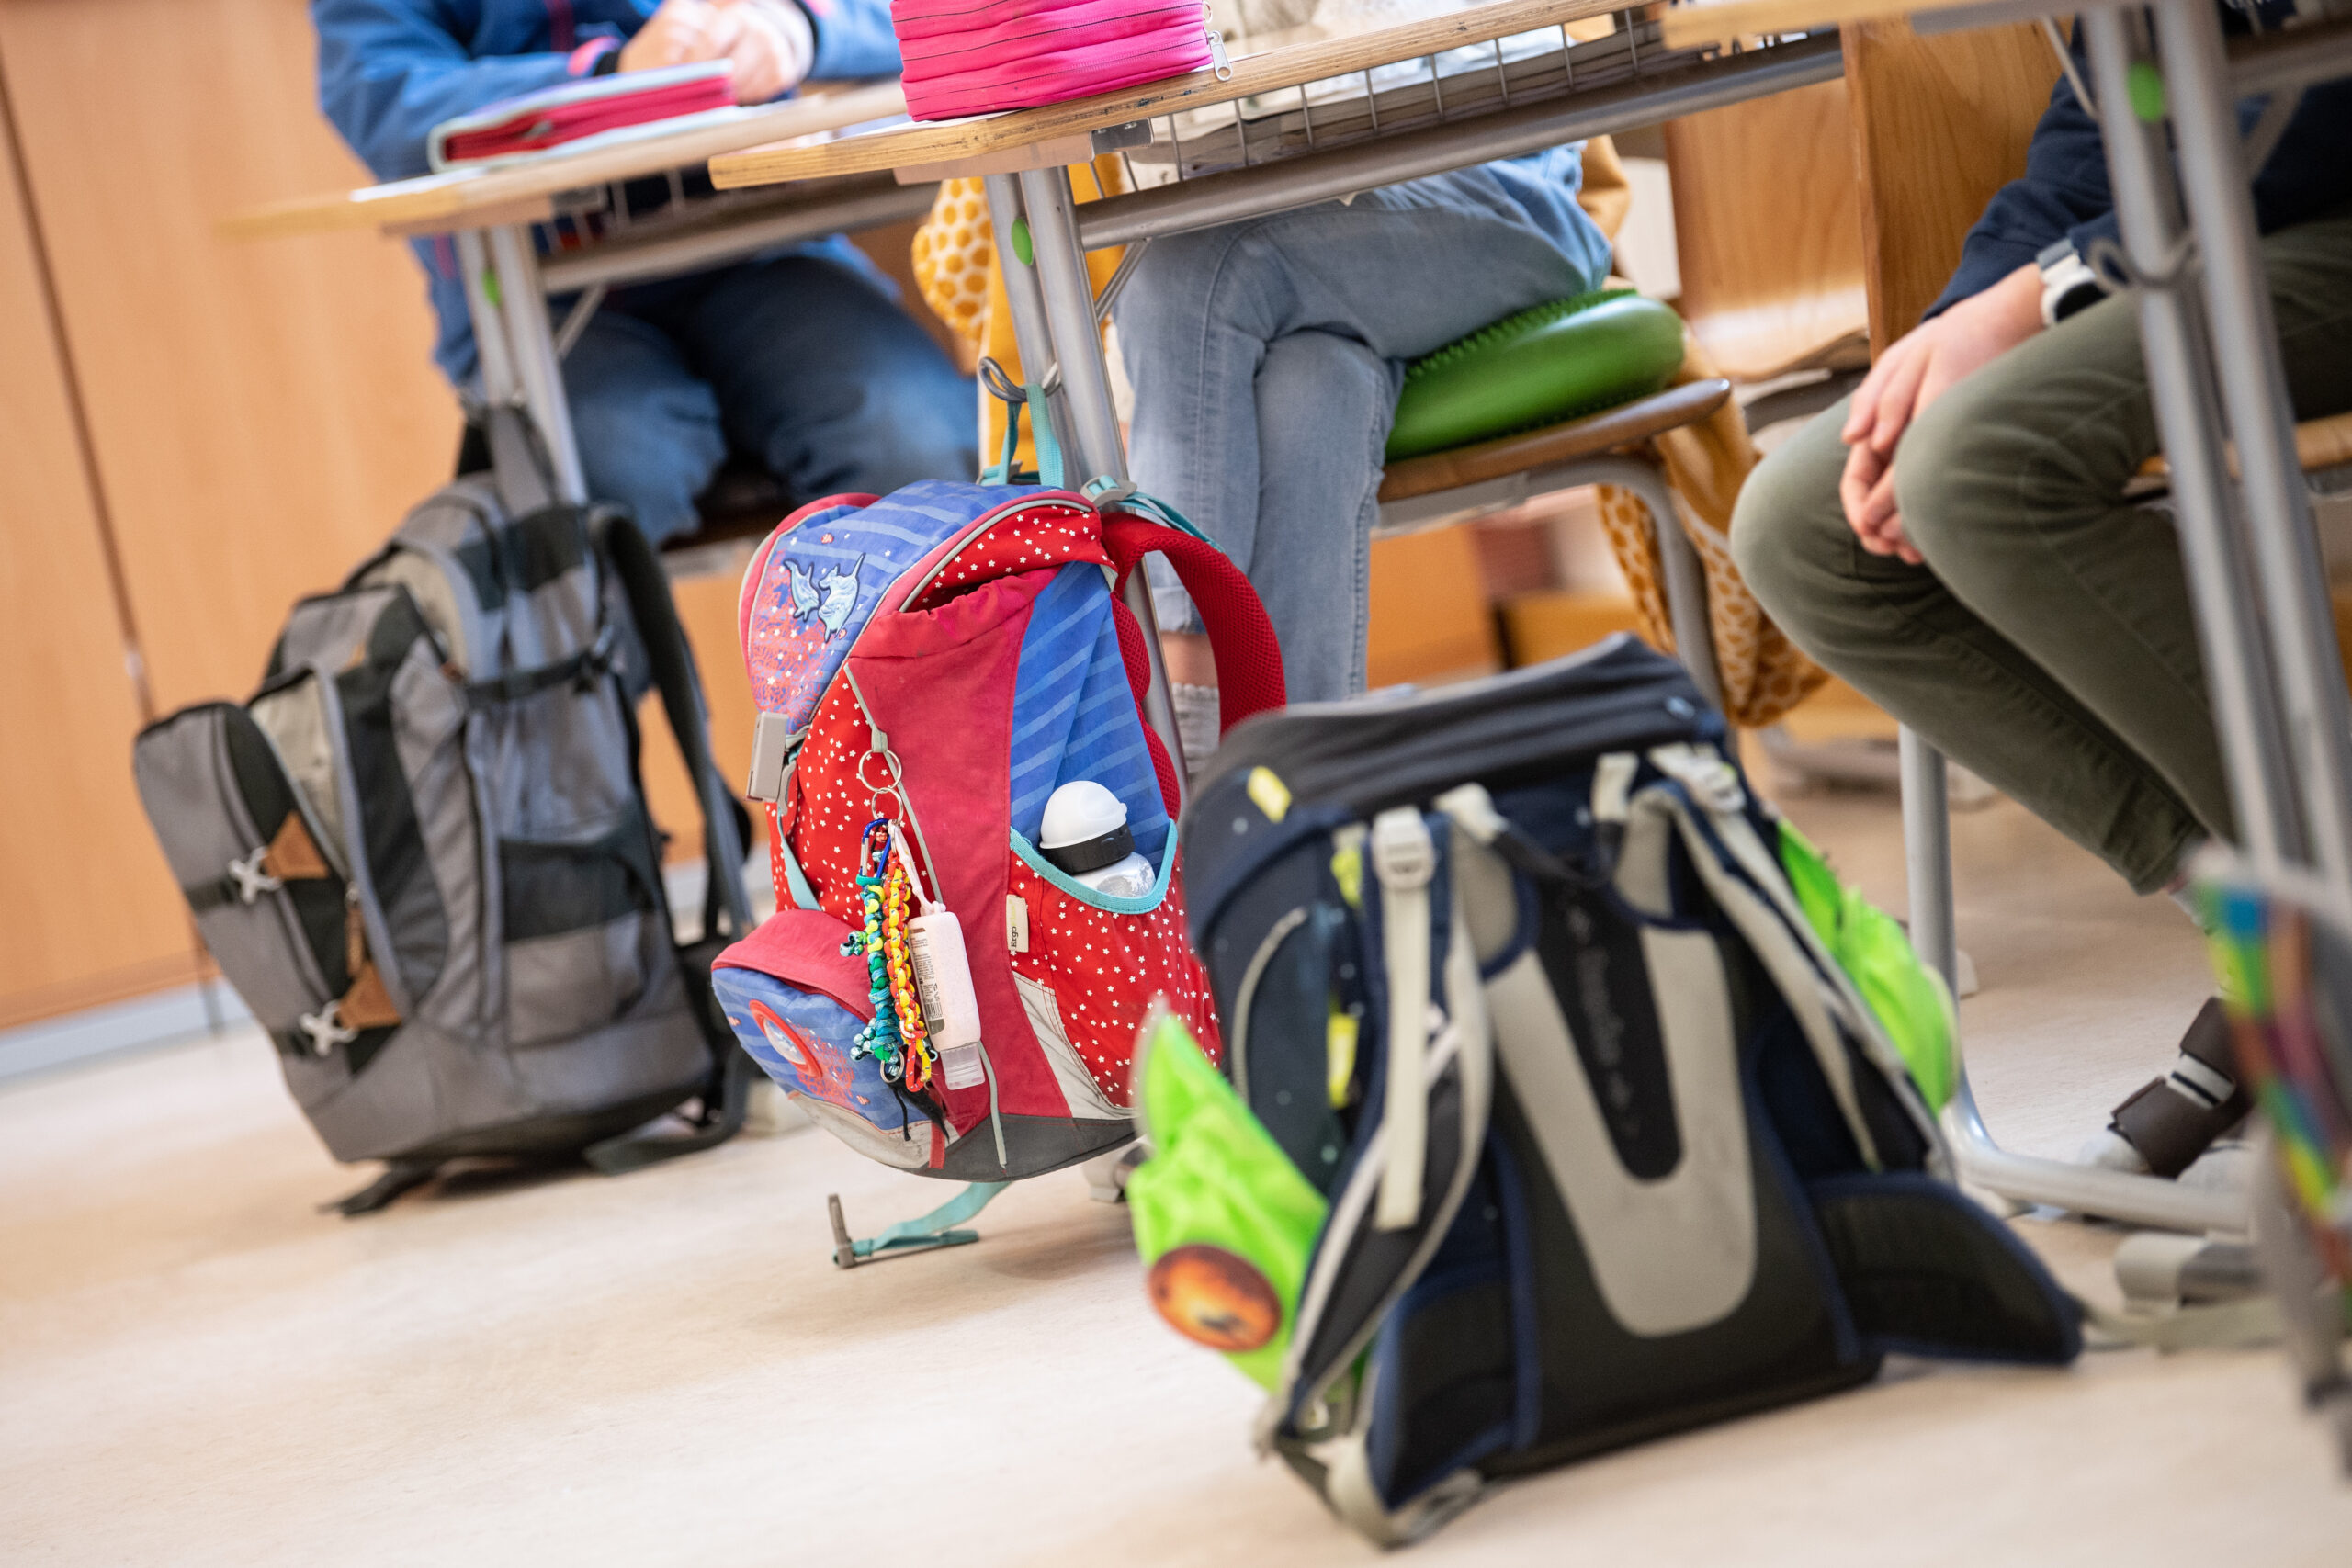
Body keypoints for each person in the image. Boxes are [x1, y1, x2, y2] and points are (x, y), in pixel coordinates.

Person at [1727, 21, 2352, 1182]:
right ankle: (2272, 949)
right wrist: (1947, 337)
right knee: (1802, 527)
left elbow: (2312, 104)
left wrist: (2040, 298)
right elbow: (2100, 128)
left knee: (1975, 468)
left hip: (2316, 207)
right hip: (2205, 236)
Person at [313, 0, 976, 541]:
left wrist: (798, 27)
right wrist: (610, 75)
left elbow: (945, 15)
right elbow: (381, 95)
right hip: (546, 299)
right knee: (606, 484)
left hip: (762, 255)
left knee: (917, 445)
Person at [1111, 147, 1615, 718]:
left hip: (1501, 196)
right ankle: (1295, 778)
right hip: (1307, 223)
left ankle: (1185, 713)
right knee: (1313, 385)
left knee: (1186, 271)